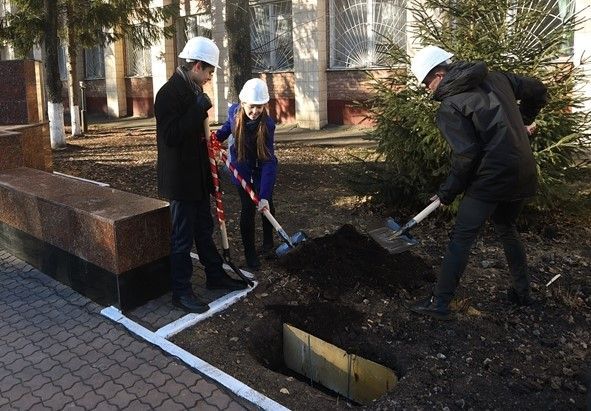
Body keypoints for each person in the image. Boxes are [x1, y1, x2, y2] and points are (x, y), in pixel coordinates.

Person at [408, 45, 548, 320]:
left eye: (426, 82)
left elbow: (467, 155)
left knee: (461, 238)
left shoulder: (450, 107)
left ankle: (439, 303)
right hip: (522, 170)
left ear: (440, 72)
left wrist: (446, 193)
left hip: (490, 178)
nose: (426, 89)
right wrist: (522, 122)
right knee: (507, 227)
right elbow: (539, 90)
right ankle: (523, 294)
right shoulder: (498, 78)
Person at [155, 36, 248, 314]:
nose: (209, 78)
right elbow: (171, 136)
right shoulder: (168, 94)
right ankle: (181, 292)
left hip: (198, 177)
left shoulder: (193, 91)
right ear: (197, 66)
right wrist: (197, 110)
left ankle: (215, 275)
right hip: (180, 181)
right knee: (182, 238)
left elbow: (200, 134)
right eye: (209, 72)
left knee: (204, 230)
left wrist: (212, 154)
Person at [215, 78, 278, 271]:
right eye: (252, 106)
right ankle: (250, 254)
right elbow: (228, 127)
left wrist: (265, 195)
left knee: (266, 204)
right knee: (248, 207)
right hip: (241, 166)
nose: (255, 111)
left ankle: (268, 244)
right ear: (243, 104)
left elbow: (268, 160)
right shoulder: (234, 112)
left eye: (259, 107)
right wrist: (216, 138)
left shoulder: (267, 124)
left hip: (261, 166)